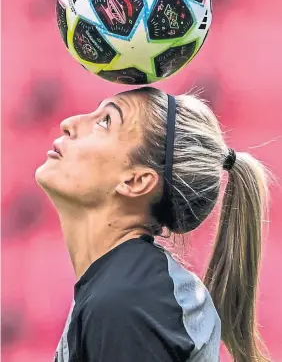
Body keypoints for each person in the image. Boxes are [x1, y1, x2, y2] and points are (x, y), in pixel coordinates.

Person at [35, 87, 270, 362]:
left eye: (105, 121)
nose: (70, 123)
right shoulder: (129, 291)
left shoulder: (127, 304)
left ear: (136, 181)